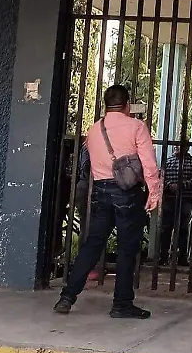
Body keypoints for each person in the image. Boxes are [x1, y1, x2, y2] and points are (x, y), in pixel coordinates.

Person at [55, 85, 161, 319]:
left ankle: (67, 296)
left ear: (105, 104)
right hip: (127, 193)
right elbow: (149, 164)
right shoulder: (137, 127)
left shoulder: (94, 130)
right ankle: (122, 304)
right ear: (127, 105)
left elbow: (89, 165)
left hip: (100, 191)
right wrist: (154, 193)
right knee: (127, 248)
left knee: (92, 244)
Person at [159, 147, 192, 266]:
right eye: (175, 146)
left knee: (183, 230)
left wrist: (181, 185)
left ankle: (182, 258)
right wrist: (169, 185)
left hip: (185, 199)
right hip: (169, 199)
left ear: (186, 148)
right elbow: (161, 177)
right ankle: (163, 257)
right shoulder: (168, 161)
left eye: (179, 145)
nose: (177, 148)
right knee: (166, 229)